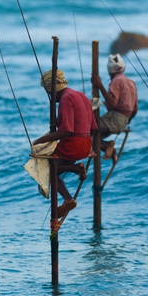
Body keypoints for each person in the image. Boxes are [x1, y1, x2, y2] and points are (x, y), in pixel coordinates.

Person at [33, 69, 97, 218]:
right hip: (85, 144)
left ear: (52, 90)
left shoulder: (66, 99)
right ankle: (75, 170)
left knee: (47, 171)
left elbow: (67, 130)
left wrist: (40, 141)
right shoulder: (81, 96)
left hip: (73, 144)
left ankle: (68, 197)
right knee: (56, 170)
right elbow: (93, 128)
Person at [91, 54, 138, 162]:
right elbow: (135, 109)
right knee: (96, 135)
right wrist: (125, 122)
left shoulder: (117, 81)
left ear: (109, 69)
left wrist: (100, 85)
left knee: (88, 131)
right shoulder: (131, 82)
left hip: (115, 117)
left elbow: (112, 104)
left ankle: (107, 146)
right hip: (124, 120)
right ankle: (108, 147)